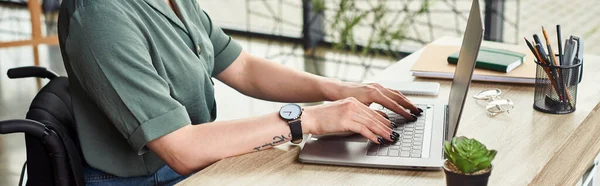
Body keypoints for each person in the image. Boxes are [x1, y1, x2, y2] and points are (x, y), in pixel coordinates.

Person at [58, 0, 422, 185]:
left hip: (195, 165)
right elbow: (182, 149)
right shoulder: (99, 17)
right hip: (153, 178)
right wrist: (308, 118)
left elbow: (241, 67)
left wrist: (336, 89)